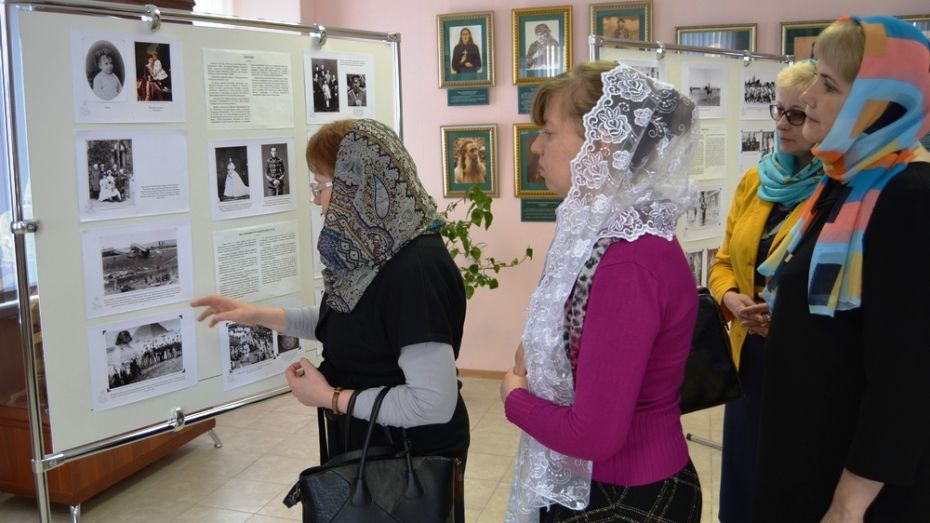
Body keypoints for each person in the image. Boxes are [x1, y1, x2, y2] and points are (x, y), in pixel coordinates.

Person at [192, 118, 470, 522]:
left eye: (321, 185)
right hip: (374, 447)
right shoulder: (373, 254)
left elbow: (432, 403)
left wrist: (329, 397)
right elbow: (345, 323)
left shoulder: (415, 270)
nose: (317, 199)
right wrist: (255, 315)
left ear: (359, 186)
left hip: (409, 463)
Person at [500, 61, 701, 521]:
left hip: (625, 495)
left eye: (549, 132)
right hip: (610, 484)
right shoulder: (607, 234)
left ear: (601, 143)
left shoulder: (628, 260)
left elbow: (594, 435)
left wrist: (514, 398)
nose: (537, 146)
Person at [753, 16, 930, 521]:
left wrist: (849, 505)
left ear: (880, 105)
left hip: (852, 488)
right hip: (806, 454)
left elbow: (908, 375)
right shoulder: (844, 181)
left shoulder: (909, 196)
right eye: (816, 75)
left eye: (829, 85)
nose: (808, 96)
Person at [707, 60, 823, 523]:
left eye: (797, 114)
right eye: (778, 110)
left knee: (789, 482)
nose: (782, 123)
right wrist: (730, 298)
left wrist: (788, 317)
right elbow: (722, 263)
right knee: (743, 481)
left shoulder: (839, 190)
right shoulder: (755, 180)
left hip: (804, 360)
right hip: (748, 356)